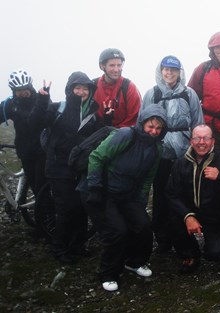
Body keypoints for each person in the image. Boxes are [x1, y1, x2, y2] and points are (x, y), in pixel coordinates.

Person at [81, 105, 167, 292]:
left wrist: (141, 202)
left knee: (144, 226)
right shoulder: (125, 135)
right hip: (103, 191)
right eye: (150, 126)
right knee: (117, 231)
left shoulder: (157, 149)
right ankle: (108, 273)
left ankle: (134, 262)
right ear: (142, 123)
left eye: (158, 128)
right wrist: (95, 187)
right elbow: (96, 157)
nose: (154, 131)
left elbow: (147, 179)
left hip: (127, 195)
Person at [29, 72, 102, 264]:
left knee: (80, 208)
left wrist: (108, 120)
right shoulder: (57, 108)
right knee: (65, 209)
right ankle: (60, 248)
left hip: (79, 168)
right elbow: (35, 123)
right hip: (58, 167)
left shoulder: (93, 113)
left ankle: (77, 245)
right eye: (77, 88)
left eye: (85, 88)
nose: (81, 91)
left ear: (90, 90)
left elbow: (96, 137)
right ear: (70, 89)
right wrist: (41, 100)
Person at [166, 125, 220, 272]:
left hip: (217, 216)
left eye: (206, 138)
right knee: (171, 218)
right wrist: (187, 216)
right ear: (191, 141)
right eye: (197, 138)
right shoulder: (180, 163)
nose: (201, 142)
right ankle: (190, 255)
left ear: (213, 141)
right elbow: (171, 193)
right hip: (191, 213)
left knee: (214, 254)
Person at [141, 55, 204, 254]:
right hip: (159, 154)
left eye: (174, 70)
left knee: (183, 196)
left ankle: (184, 238)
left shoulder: (189, 94)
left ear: (180, 72)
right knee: (160, 195)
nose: (169, 73)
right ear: (161, 71)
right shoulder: (152, 94)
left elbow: (197, 122)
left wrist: (198, 149)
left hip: (184, 154)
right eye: (166, 69)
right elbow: (142, 123)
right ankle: (163, 239)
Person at [0, 69, 47, 199]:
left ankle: (46, 214)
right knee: (35, 186)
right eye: (18, 90)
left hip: (42, 149)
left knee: (41, 188)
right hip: (25, 150)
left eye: (25, 88)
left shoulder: (41, 98)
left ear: (30, 86)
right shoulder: (9, 104)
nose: (23, 92)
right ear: (13, 90)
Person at [93, 48, 142, 128]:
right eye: (112, 65)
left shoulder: (129, 87)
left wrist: (113, 133)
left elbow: (134, 118)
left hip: (122, 133)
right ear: (102, 66)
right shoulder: (93, 86)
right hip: (96, 131)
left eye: (119, 65)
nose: (116, 70)